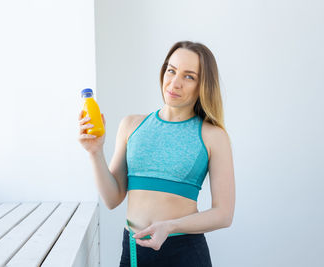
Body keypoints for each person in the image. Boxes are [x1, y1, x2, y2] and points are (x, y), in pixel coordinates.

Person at [78, 41, 235, 267]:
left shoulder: (212, 135)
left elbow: (224, 214)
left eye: (189, 76)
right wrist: (95, 152)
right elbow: (112, 199)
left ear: (203, 85)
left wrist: (171, 226)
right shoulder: (131, 125)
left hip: (185, 253)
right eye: (171, 71)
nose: (175, 82)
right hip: (134, 252)